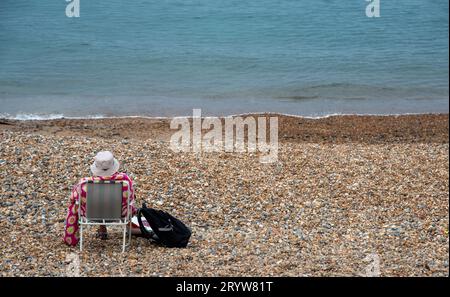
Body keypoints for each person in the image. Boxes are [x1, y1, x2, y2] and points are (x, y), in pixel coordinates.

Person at [63, 151, 137, 246]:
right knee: (122, 202)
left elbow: (72, 198)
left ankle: (71, 238)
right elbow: (131, 198)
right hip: (119, 215)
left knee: (77, 204)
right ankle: (128, 229)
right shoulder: (125, 181)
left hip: (91, 215)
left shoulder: (84, 184)